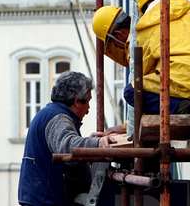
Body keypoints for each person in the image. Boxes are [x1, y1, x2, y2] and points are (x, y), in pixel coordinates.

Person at [18, 71, 116, 206]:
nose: (88, 109)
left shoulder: (51, 113)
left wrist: (90, 141)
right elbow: (67, 145)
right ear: (76, 101)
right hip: (46, 200)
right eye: (87, 102)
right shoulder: (59, 118)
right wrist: (98, 143)